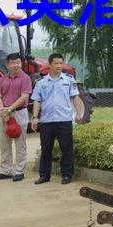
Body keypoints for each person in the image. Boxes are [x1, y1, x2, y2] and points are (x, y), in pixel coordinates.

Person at [31, 53, 82, 185]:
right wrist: (35, 117)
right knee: (46, 149)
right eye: (56, 63)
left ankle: (67, 175)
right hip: (46, 121)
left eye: (61, 63)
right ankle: (44, 175)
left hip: (63, 120)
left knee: (66, 148)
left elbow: (75, 97)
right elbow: (37, 100)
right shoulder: (41, 82)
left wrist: (78, 113)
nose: (59, 66)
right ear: (50, 65)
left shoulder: (69, 80)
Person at [0, 53, 32, 182]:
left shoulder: (25, 78)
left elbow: (25, 96)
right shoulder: (2, 79)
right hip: (4, 113)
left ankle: (19, 171)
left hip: (19, 112)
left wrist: (9, 109)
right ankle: (6, 170)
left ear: (21, 63)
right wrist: (2, 110)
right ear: (7, 65)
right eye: (13, 63)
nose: (16, 65)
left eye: (18, 62)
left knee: (20, 143)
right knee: (4, 143)